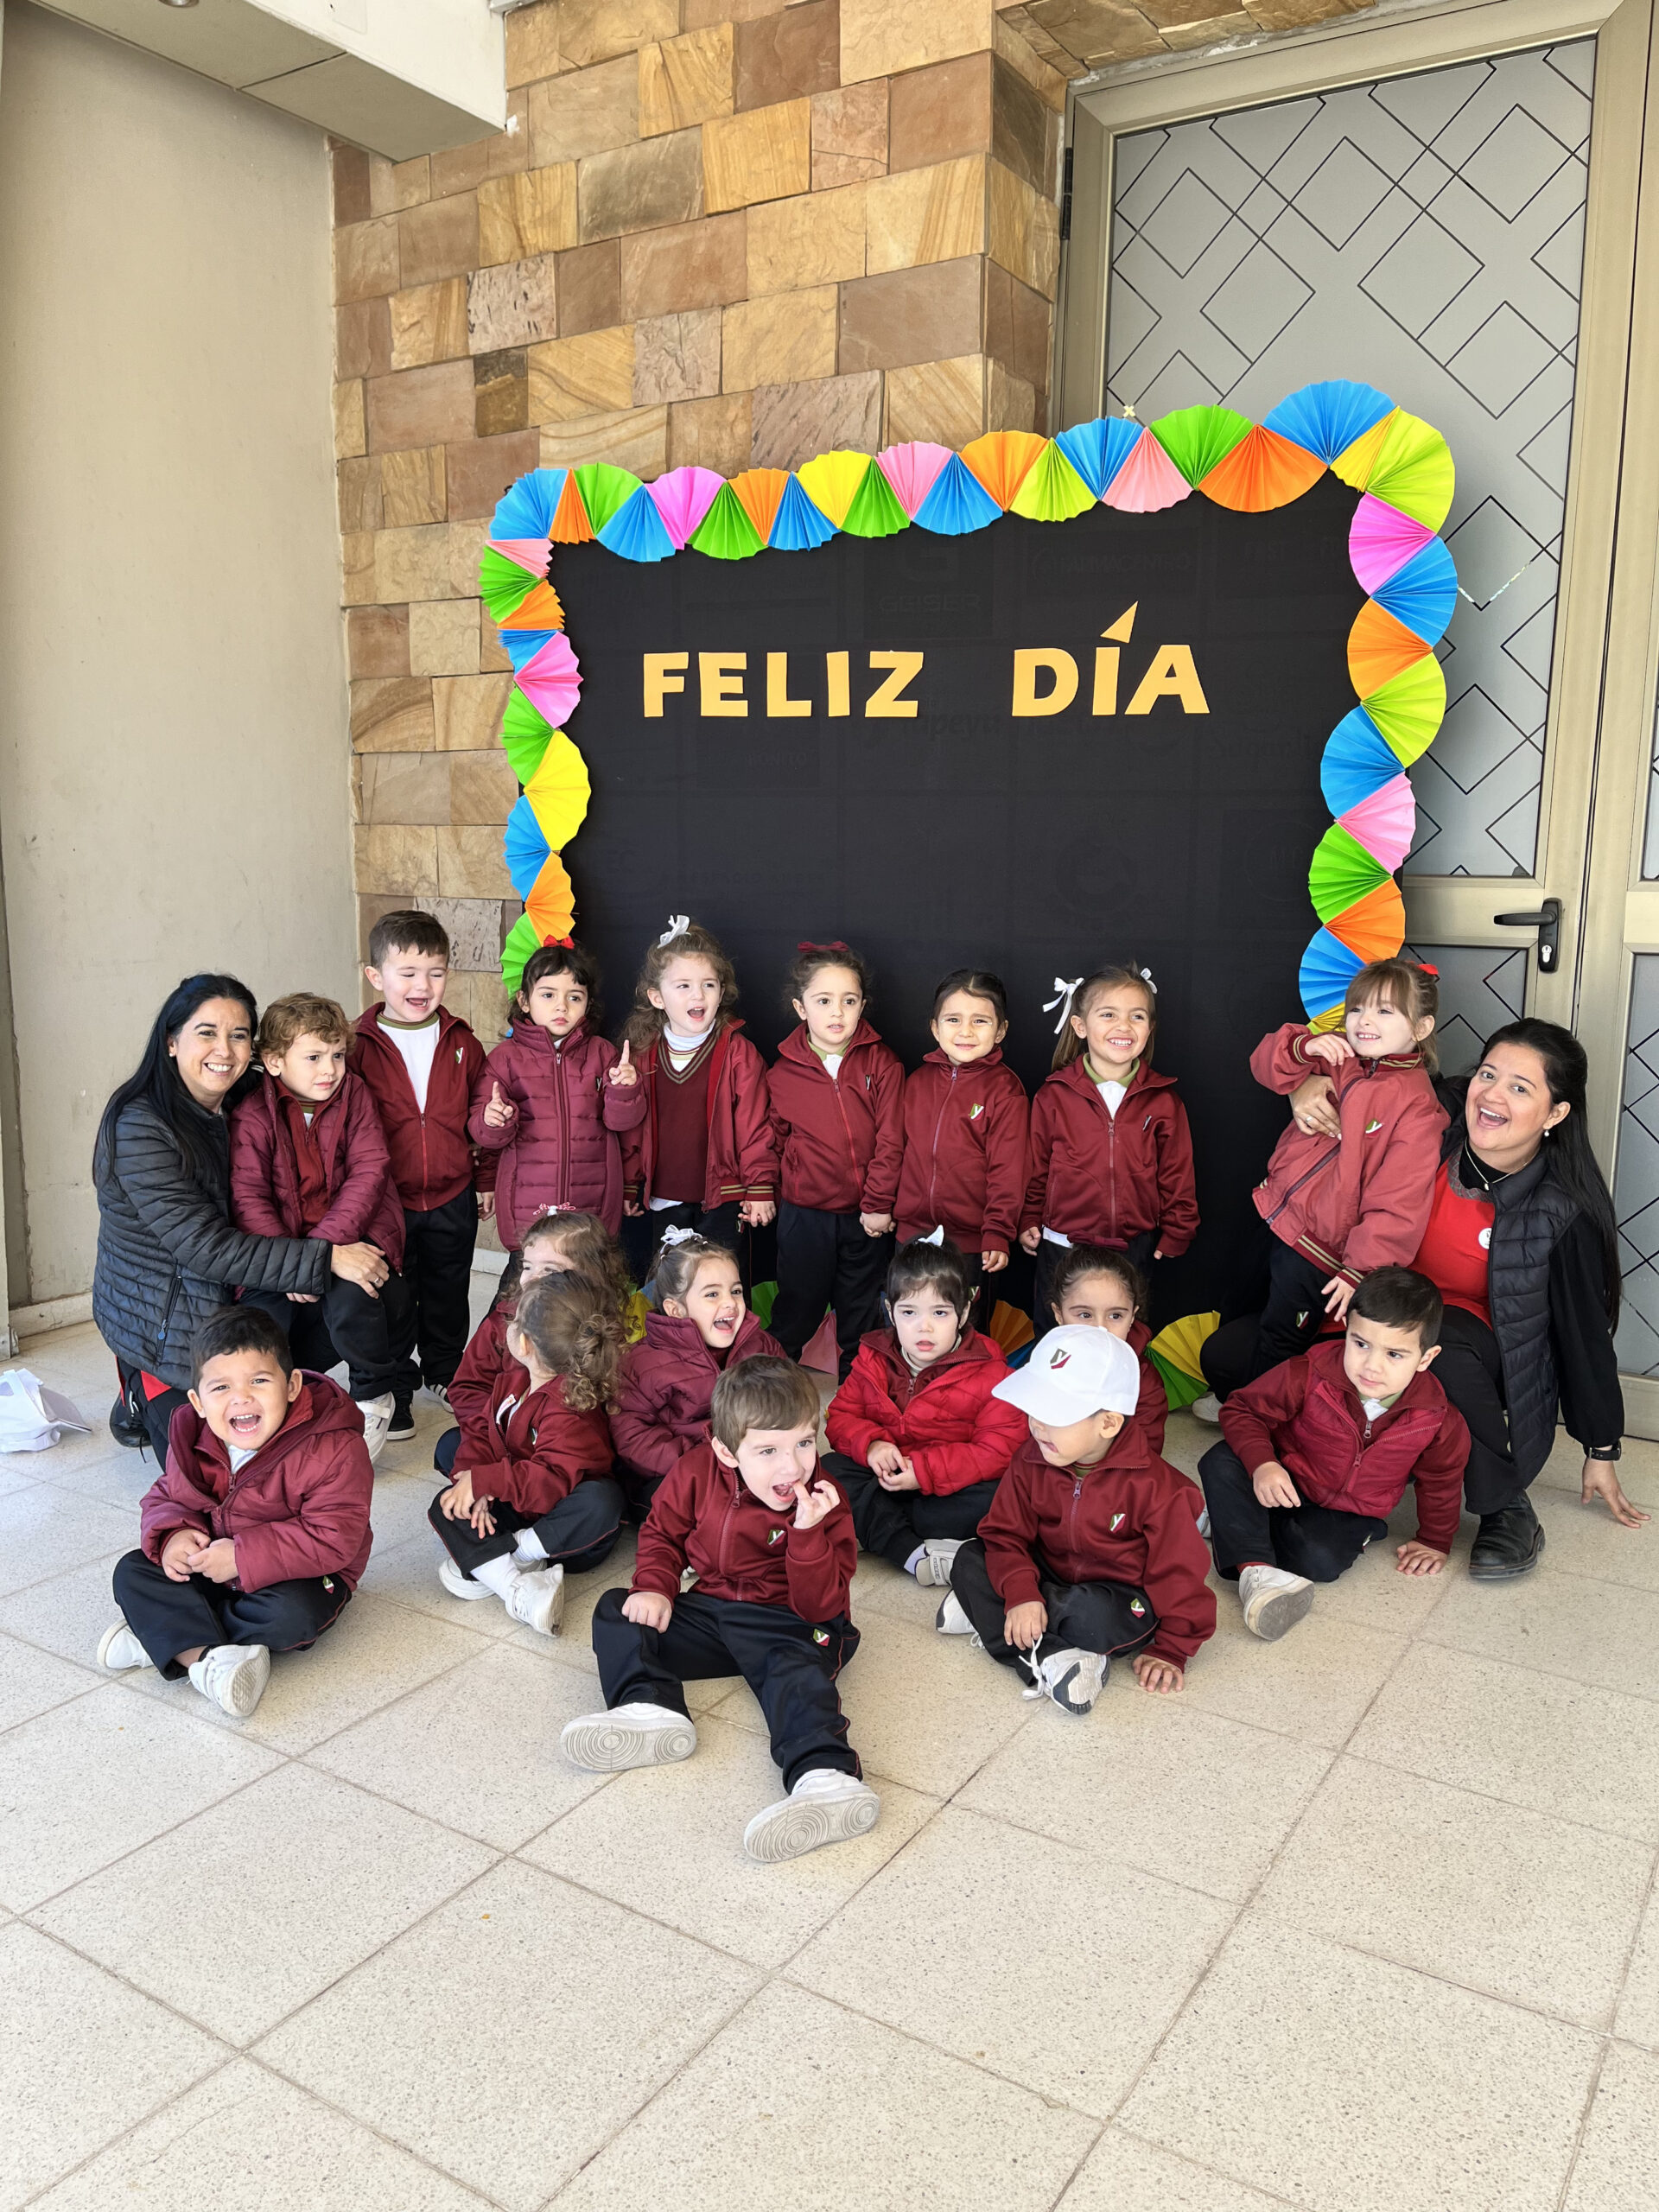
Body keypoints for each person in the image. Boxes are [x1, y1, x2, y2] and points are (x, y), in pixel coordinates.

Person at [1287, 1016, 1646, 1578]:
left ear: (1555, 1114)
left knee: (1441, 1343)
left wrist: (1601, 1447)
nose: (1493, 1095)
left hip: (1475, 1345)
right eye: (1488, 1074)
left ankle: (1505, 1504)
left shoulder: (1560, 1210)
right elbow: (1368, 1079)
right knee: (1235, 1355)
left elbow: (1583, 1335)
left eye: (1520, 1088)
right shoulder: (1428, 1128)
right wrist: (1307, 1083)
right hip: (1378, 1311)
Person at [561, 1356, 880, 1865]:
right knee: (618, 1609)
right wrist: (656, 1588)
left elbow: (821, 1604)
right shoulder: (695, 1472)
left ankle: (825, 1779)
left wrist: (806, 1534)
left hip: (791, 1622)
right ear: (726, 1452)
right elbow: (662, 1533)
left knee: (795, 1676)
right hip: (713, 1610)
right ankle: (652, 1708)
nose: (793, 1467)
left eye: (804, 1442)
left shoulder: (825, 1498)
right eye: (768, 1450)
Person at [92, 975, 390, 1460]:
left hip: (236, 1290)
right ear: (171, 1041)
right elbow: (204, 1247)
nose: (224, 1050)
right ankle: (140, 1389)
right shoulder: (140, 1126)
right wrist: (324, 1257)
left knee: (365, 1294)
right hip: (167, 1321)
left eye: (238, 1035)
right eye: (207, 1033)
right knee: (211, 1467)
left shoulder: (251, 1092)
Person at [97, 1304, 372, 1718]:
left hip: (303, 1576)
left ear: (292, 1385)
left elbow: (334, 1538)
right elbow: (167, 1495)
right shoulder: (192, 1435)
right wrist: (174, 1535)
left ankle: (169, 1638)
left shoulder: (334, 1446)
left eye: (259, 1381)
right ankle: (206, 1657)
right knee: (133, 1571)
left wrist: (241, 1557)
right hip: (214, 1570)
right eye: (221, 1387)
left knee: (293, 1616)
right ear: (198, 1401)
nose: (241, 1397)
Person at [943, 1326, 1215, 1717]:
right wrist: (1021, 1592)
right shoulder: (1030, 1457)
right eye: (1034, 1408)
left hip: (1118, 1597)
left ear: (1108, 1423)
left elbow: (1180, 1575)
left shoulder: (1162, 1491)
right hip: (1048, 1572)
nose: (1037, 1425)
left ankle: (993, 1617)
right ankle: (1054, 1654)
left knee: (1092, 1618)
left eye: (1054, 1415)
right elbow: (1003, 1534)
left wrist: (1172, 1649)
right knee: (970, 1557)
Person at [1200, 1268, 1469, 1639]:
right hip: (1288, 1481)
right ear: (1346, 1331)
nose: (1372, 1366)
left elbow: (1442, 1482)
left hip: (1349, 1512)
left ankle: (1231, 1521)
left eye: (1394, 1354)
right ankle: (1256, 1573)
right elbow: (1242, 1411)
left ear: (1426, 1358)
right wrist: (1264, 1464)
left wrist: (1434, 1540)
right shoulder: (1309, 1373)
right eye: (1361, 1344)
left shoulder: (1437, 1419)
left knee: (1320, 1562)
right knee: (1222, 1461)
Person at [1217, 958, 1446, 1395]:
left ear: (1421, 1028)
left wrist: (1361, 1268)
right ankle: (1234, 1396)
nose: (1365, 1021)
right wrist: (1304, 1049)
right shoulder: (1337, 1054)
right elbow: (1264, 1062)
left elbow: (1398, 1204)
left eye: (1384, 1011)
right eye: (1357, 1008)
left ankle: (1262, 1417)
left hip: (1319, 1251)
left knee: (1282, 1338)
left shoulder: (1417, 1108)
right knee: (1237, 1306)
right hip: (1274, 1212)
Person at [228, 992, 415, 1463]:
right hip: (280, 1251)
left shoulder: (355, 1096)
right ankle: (269, 1415)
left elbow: (369, 1172)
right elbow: (249, 1198)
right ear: (274, 1062)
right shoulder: (252, 1114)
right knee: (263, 1329)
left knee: (356, 1296)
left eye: (336, 1055)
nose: (329, 1069)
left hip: (352, 1235)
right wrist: (295, 1264)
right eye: (313, 1057)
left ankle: (372, 1396)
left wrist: (320, 1251)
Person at [353, 909, 495, 1428]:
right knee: (393, 1297)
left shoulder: (463, 1042)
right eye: (408, 973)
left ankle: (446, 1370)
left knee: (448, 1292)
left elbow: (484, 1114)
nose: (422, 986)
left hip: (452, 1194)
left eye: (435, 973)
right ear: (376, 976)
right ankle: (397, 1386)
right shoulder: (355, 1046)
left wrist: (484, 1180)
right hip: (387, 1202)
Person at [428, 1271, 625, 1634]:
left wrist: (487, 1480)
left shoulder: (571, 1407)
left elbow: (550, 1484)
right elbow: (482, 1434)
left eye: (514, 1319)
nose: (507, 1322)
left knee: (603, 1500)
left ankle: (505, 1560)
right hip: (517, 1502)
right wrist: (475, 1482)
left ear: (525, 1343)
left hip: (562, 1529)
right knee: (447, 1496)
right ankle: (515, 1586)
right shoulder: (513, 1380)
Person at [823, 1237, 1027, 1584]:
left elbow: (997, 1451)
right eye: (909, 1312)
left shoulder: (993, 1373)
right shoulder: (873, 1358)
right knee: (827, 1469)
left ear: (963, 1313)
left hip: (947, 1491)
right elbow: (841, 1417)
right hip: (885, 1480)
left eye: (940, 1313)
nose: (924, 1326)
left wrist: (924, 1471)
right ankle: (911, 1552)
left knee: (1003, 1498)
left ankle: (876, 1528)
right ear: (890, 1311)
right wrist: (872, 1445)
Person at [1020, 966, 1197, 1332]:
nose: (1124, 1026)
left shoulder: (1163, 1101)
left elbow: (1177, 1173)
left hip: (1132, 1246)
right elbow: (1035, 1167)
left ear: (1150, 1028)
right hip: (1063, 1244)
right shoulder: (1053, 1095)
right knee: (1058, 1337)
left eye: (1137, 1016)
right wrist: (1027, 1218)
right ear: (1080, 1026)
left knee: (1124, 1338)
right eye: (1108, 1015)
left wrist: (1179, 1228)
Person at [767, 942, 905, 1380]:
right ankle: (767, 1387)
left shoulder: (882, 1063)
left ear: (863, 1005)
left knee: (861, 1311)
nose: (837, 1012)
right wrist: (764, 1193)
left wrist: (879, 1203)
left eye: (849, 1001)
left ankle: (857, 1391)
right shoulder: (782, 1073)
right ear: (800, 1007)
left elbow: (891, 1139)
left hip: (865, 1216)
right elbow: (774, 1142)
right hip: (804, 1214)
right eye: (823, 1001)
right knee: (797, 1303)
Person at [618, 915, 778, 1287]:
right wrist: (629, 1183)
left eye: (708, 984)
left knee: (721, 1285)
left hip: (724, 1199)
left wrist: (759, 1186)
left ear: (721, 992)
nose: (698, 995)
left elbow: (756, 1126)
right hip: (664, 1200)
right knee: (672, 1287)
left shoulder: (738, 1052)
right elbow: (632, 1131)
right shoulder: (641, 1054)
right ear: (657, 997)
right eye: (683, 986)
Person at [468, 940, 645, 1243]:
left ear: (587, 1004)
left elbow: (623, 1124)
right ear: (524, 1000)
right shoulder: (504, 1059)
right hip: (526, 1209)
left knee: (587, 1270)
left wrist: (624, 1089)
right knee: (530, 1271)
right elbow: (485, 1137)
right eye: (548, 995)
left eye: (574, 997)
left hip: (593, 1205)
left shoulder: (604, 1054)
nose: (562, 1006)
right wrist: (493, 1120)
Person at [436, 1208, 630, 1481]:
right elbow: (468, 1386)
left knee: (599, 1494)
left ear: (589, 1275)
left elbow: (612, 1409)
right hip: (503, 1437)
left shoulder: (601, 1328)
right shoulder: (504, 1321)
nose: (532, 1278)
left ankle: (522, 1498)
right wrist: (496, 1434)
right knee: (451, 1445)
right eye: (527, 1266)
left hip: (566, 1452)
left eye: (550, 1269)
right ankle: (498, 1493)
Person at [611, 1233, 785, 1516]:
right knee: (683, 1502)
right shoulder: (641, 1362)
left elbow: (787, 1401)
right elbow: (634, 1437)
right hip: (681, 1468)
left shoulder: (761, 1345)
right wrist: (702, 1460)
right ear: (676, 1310)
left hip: (748, 1459)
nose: (730, 1303)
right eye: (712, 1294)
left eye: (736, 1291)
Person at [893, 969, 1028, 1307]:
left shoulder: (1006, 1091)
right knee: (912, 1320)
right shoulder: (916, 1082)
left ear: (1001, 1031)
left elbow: (1009, 1170)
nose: (965, 1031)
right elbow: (895, 1150)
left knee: (966, 1324)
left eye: (980, 1021)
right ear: (935, 1028)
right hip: (911, 1236)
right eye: (953, 1019)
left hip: (973, 1244)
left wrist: (997, 1231)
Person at [1046, 1244, 1167, 1454]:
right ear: (1058, 1314)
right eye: (1085, 1315)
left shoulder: (1144, 1381)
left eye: (1115, 1316)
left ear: (1132, 1317)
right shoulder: (1045, 1367)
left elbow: (1145, 1453)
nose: (1100, 1329)